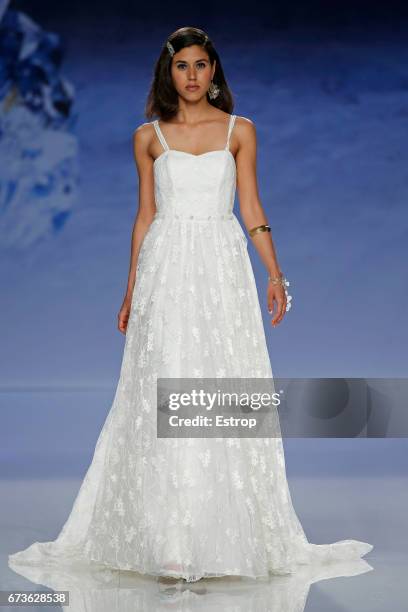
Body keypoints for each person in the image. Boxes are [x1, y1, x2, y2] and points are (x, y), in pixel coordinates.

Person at [8, 26, 373, 583]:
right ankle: (170, 540)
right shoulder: (148, 137)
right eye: (183, 66)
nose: (193, 75)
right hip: (167, 267)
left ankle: (222, 534)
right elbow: (144, 216)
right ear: (169, 73)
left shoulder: (240, 131)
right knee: (163, 384)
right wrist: (131, 287)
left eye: (202, 64)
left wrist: (275, 272)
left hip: (223, 267)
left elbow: (250, 204)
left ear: (215, 71)